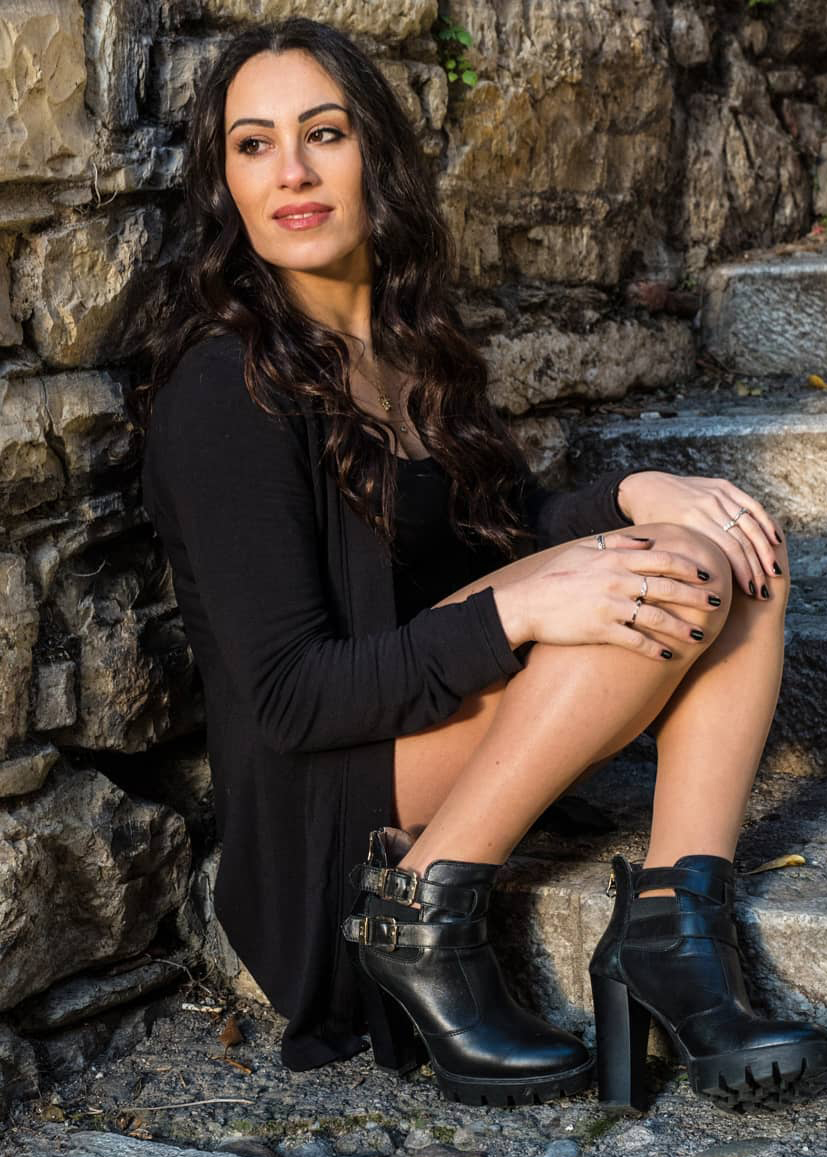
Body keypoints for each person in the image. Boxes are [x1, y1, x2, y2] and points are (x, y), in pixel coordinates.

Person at [135, 16, 827, 1113]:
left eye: (323, 133)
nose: (292, 172)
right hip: (331, 806)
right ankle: (414, 911)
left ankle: (671, 931)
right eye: (253, 145)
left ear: (376, 153)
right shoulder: (228, 389)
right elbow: (290, 697)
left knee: (736, 551)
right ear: (226, 184)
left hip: (422, 720)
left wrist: (632, 495)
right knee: (654, 584)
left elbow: (500, 527)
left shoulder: (407, 348)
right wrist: (522, 608)